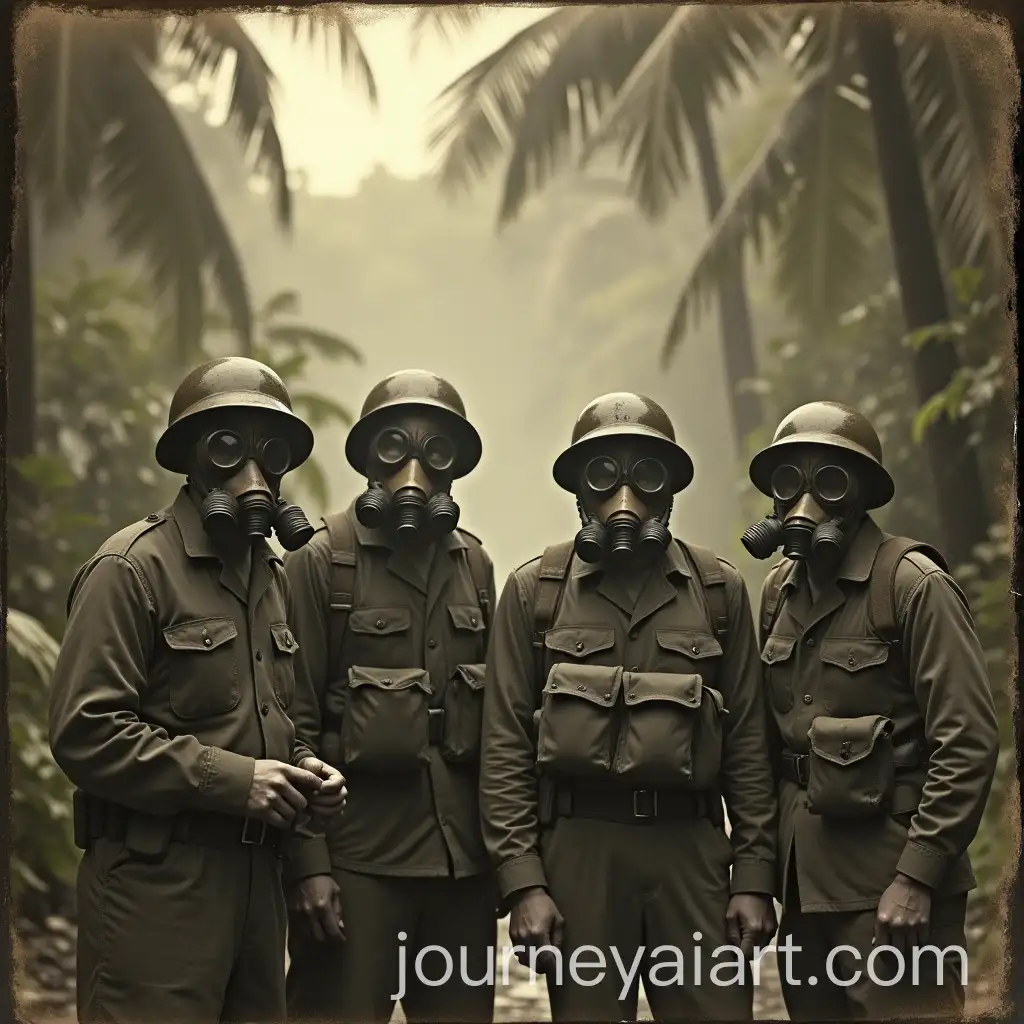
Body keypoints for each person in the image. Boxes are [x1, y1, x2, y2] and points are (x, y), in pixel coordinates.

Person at [48, 356, 348, 1024]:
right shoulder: (130, 570)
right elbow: (85, 730)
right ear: (191, 458)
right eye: (226, 447)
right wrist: (236, 780)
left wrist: (305, 770)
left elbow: (276, 716)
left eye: (269, 452)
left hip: (255, 893)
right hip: (157, 892)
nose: (252, 473)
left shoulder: (267, 576)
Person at [479, 392, 778, 1023]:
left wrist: (753, 876)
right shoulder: (536, 592)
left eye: (646, 475)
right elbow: (504, 743)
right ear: (579, 492)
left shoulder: (718, 591)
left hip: (691, 849)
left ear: (669, 488)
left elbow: (748, 742)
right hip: (579, 853)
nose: (626, 497)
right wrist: (524, 881)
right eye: (602, 474)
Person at [741, 400, 1000, 1020]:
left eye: (829, 482)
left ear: (860, 497)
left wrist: (918, 876)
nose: (806, 502)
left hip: (892, 891)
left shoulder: (913, 586)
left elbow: (966, 740)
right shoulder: (778, 591)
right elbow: (767, 747)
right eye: (788, 482)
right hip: (805, 891)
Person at [283, 369, 497, 1024]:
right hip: (357, 865)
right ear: (369, 458)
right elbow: (289, 720)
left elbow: (503, 726)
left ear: (456, 467)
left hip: (461, 869)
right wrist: (309, 867)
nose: (415, 470)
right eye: (394, 447)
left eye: (437, 453)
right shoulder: (323, 562)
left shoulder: (476, 565)